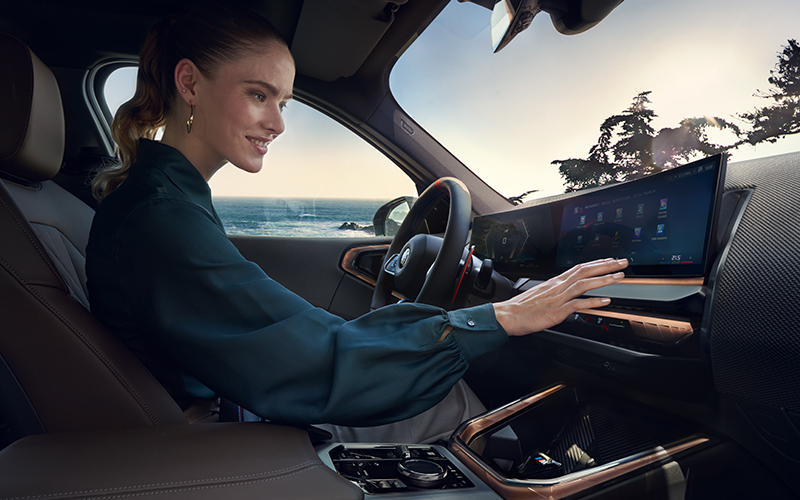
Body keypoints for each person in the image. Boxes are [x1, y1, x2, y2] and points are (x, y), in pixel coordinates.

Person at [86, 4, 628, 443]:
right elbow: (316, 359)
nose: (276, 123)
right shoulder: (160, 219)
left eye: (284, 103)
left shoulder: (164, 201)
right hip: (207, 437)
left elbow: (293, 337)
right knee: (454, 406)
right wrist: (500, 317)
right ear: (191, 83)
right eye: (258, 94)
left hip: (222, 406)